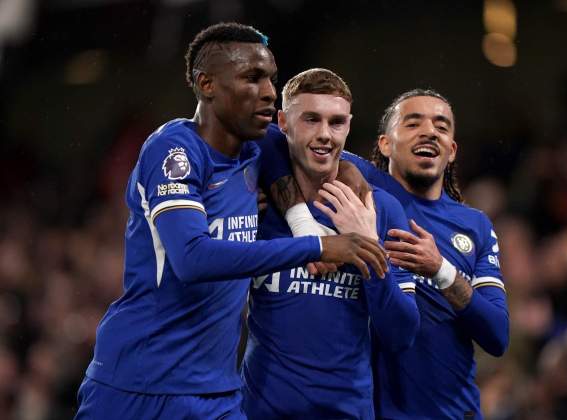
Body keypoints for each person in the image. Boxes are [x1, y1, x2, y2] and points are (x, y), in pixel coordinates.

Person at [74, 23, 387, 420]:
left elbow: (319, 154)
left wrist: (350, 173)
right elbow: (193, 259)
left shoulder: (258, 145)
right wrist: (318, 245)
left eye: (271, 78)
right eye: (252, 78)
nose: (270, 92)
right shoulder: (174, 151)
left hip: (218, 392)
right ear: (206, 84)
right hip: (138, 384)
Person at [260, 88, 509, 419]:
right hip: (373, 408)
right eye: (412, 123)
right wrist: (298, 215)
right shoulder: (368, 193)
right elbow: (273, 137)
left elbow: (497, 336)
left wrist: (440, 269)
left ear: (451, 151)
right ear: (384, 144)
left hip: (451, 411)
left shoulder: (474, 225)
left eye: (441, 126)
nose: (430, 132)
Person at [241, 68, 419, 419]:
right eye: (311, 119)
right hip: (259, 410)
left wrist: (369, 247)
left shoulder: (380, 209)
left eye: (336, 122)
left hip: (346, 412)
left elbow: (401, 334)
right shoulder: (253, 203)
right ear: (283, 122)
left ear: (349, 126)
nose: (325, 135)